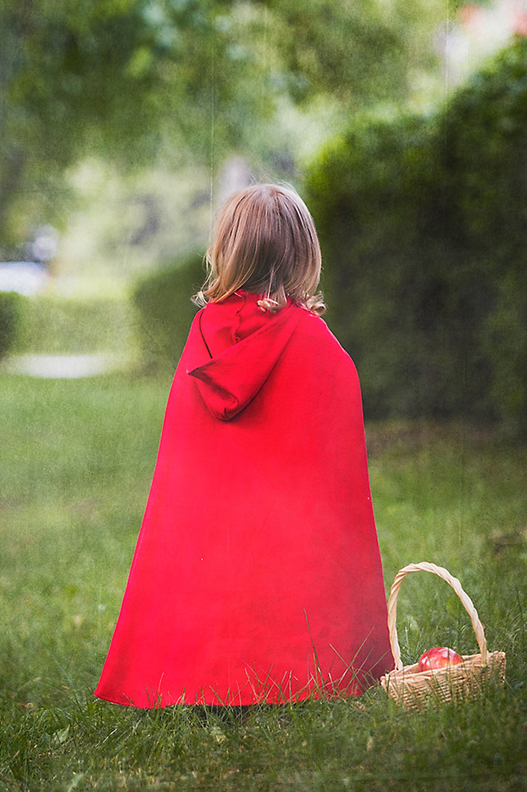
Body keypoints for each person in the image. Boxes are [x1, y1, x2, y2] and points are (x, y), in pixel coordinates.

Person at [94, 183, 393, 709]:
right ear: (304, 254)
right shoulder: (314, 343)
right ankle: (305, 670)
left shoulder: (203, 333)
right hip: (291, 565)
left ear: (226, 251)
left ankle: (198, 676)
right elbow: (335, 494)